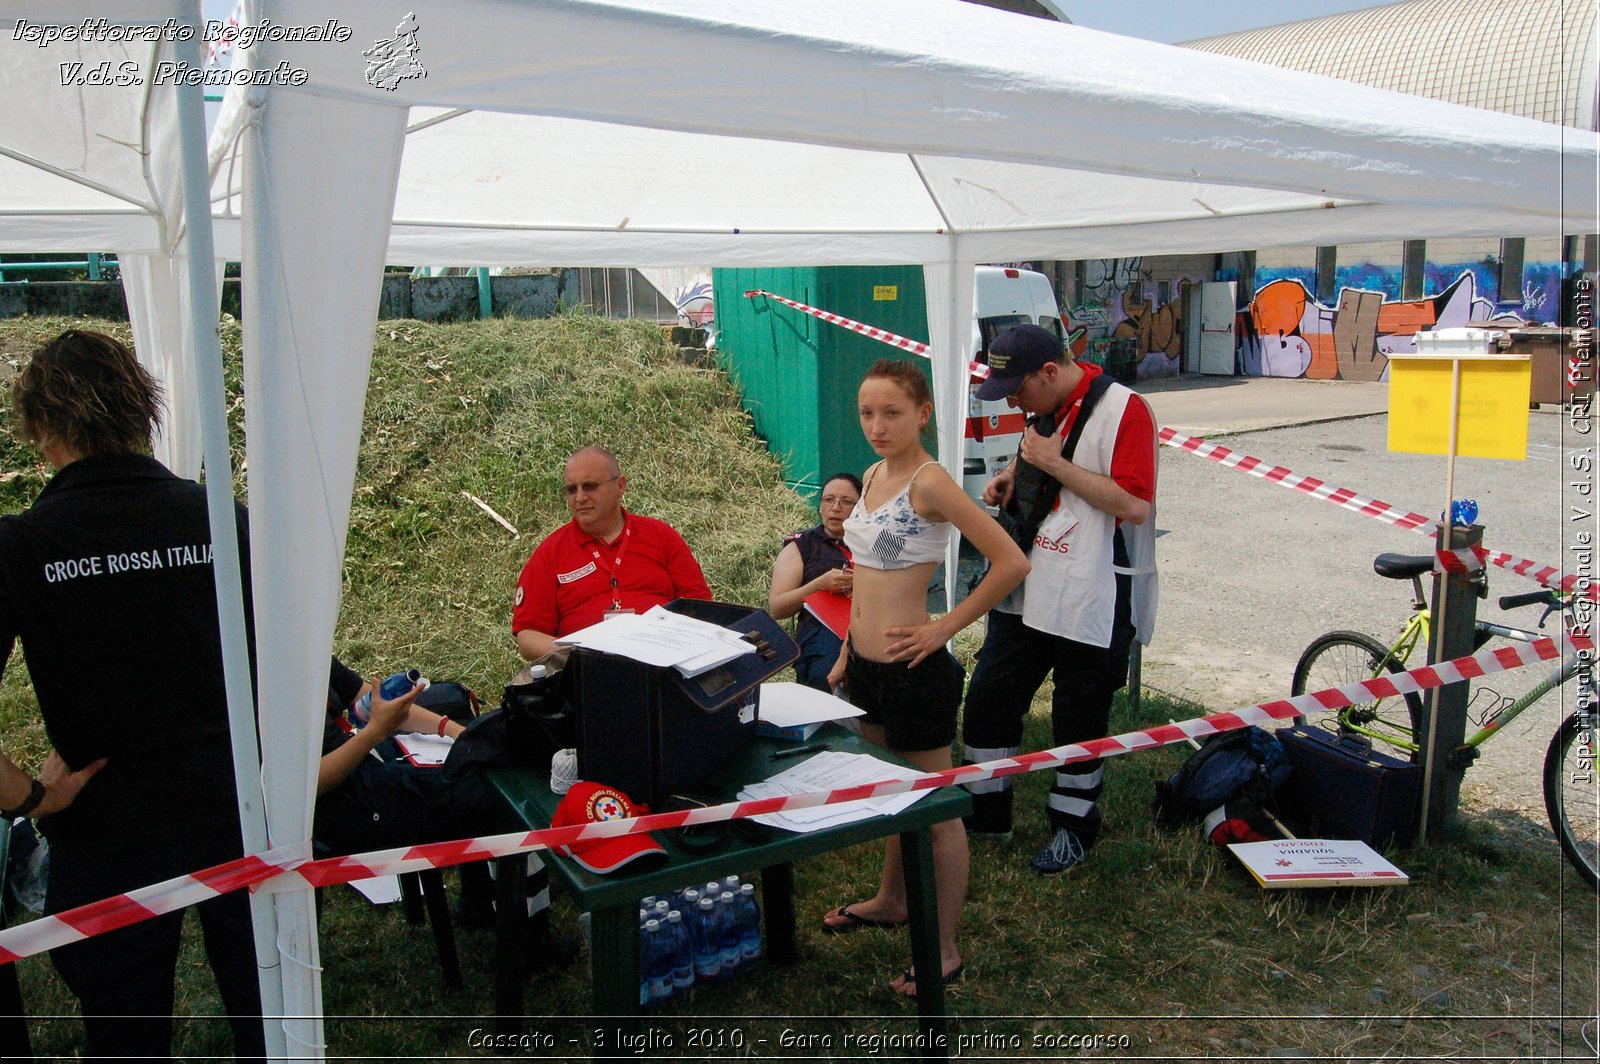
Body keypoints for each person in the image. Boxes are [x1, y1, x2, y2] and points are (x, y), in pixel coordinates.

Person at [0, 329, 266, 1060]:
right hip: (233, 806)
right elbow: (279, 657)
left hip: (105, 821)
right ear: (139, 409)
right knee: (266, 1010)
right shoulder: (217, 518)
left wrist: (28, 799)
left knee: (124, 1034)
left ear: (43, 427)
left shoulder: (24, 544)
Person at [819, 359, 1029, 999]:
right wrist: (846, 653)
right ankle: (891, 899)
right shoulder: (877, 475)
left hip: (914, 671)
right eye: (867, 413)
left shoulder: (930, 482)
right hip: (866, 667)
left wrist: (945, 627)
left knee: (937, 814)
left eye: (892, 413)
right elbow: (868, 577)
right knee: (891, 791)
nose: (877, 426)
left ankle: (941, 949)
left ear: (923, 414)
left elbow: (1010, 561)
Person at [959, 323, 1158, 875]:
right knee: (991, 697)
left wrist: (1051, 467)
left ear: (1050, 372)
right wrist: (1010, 476)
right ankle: (986, 811)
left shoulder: (1126, 410)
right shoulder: (1046, 402)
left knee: (1079, 713)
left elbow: (1134, 504)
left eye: (1018, 391)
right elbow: (1045, 461)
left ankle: (1073, 827)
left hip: (1091, 587)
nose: (1014, 402)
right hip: (1027, 577)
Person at [315, 660, 571, 969]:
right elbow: (303, 787)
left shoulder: (299, 642)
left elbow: (379, 704)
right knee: (502, 795)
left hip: (368, 765)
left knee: (484, 750)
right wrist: (373, 733)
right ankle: (527, 943)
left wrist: (455, 732)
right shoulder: (265, 678)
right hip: (350, 807)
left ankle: (480, 902)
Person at [512, 446, 711, 659]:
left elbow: (700, 606)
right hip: (588, 673)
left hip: (665, 663)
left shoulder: (660, 535)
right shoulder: (550, 553)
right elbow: (528, 638)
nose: (580, 498)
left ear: (620, 486)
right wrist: (584, 655)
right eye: (571, 489)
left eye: (590, 486)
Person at [766, 472, 861, 689]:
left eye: (846, 502)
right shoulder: (802, 545)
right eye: (829, 500)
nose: (836, 507)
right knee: (824, 672)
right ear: (820, 506)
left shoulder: (872, 544)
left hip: (867, 626)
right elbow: (777, 608)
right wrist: (818, 585)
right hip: (822, 631)